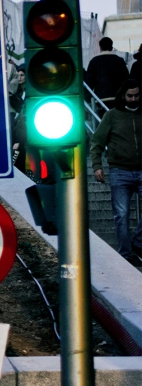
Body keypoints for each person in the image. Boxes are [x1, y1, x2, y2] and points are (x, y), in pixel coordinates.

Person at [90, 79, 142, 265]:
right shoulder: (112, 115)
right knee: (122, 214)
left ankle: (138, 242)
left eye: (136, 95)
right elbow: (97, 142)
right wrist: (97, 165)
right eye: (130, 96)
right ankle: (126, 254)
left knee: (122, 213)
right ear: (123, 95)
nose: (133, 99)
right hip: (120, 171)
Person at [86, 37, 129, 108]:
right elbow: (126, 80)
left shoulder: (94, 61)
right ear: (111, 48)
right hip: (118, 99)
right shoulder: (119, 61)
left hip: (100, 100)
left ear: (100, 47)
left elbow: (89, 83)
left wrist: (88, 99)